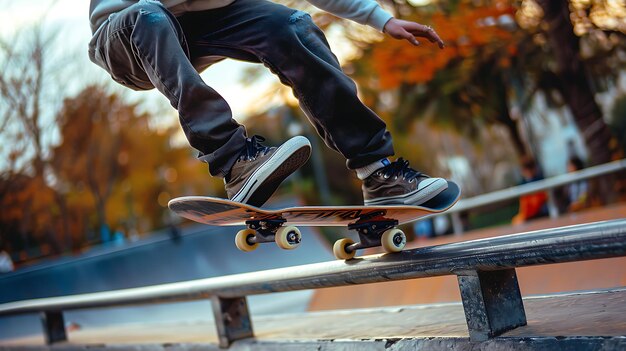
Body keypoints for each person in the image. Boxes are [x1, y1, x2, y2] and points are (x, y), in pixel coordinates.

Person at [88, 0, 450, 207]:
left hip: (200, 21)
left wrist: (380, 19)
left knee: (290, 24)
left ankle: (379, 172)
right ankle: (232, 160)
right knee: (151, 15)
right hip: (125, 33)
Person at [512, 156, 548, 225]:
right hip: (528, 213)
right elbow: (524, 204)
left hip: (539, 213)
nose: (527, 172)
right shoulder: (522, 184)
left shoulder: (540, 181)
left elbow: (540, 200)